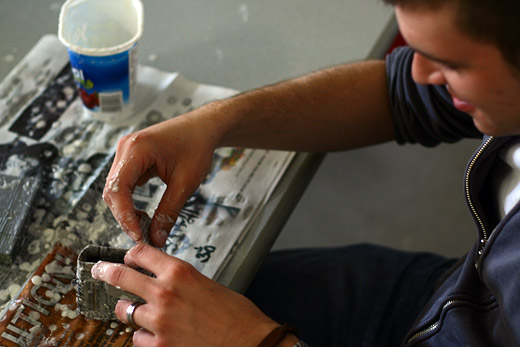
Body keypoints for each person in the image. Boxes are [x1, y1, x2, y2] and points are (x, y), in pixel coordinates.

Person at [91, 0, 520, 345]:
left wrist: (255, 340)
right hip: (454, 298)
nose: (419, 71)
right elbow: (402, 95)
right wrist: (215, 123)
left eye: (452, 63)